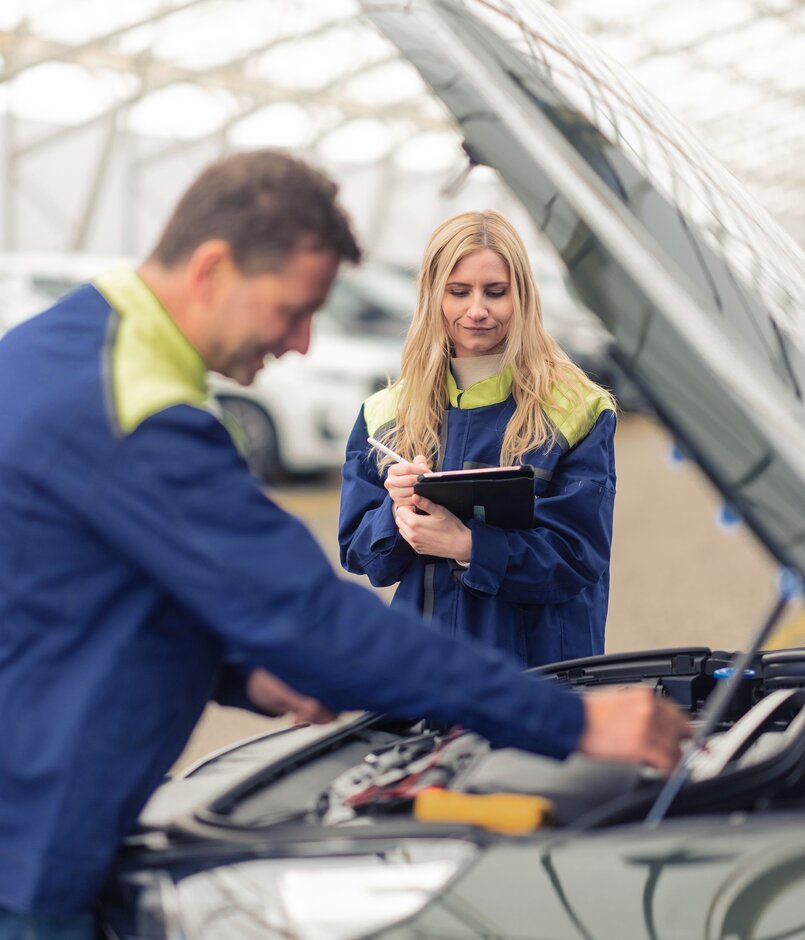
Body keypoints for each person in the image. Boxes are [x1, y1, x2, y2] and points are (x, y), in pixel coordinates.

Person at [0, 151, 687, 938]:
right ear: (215, 269)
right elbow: (312, 613)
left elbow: (98, 584)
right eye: (294, 310)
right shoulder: (137, 411)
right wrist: (571, 724)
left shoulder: (56, 352)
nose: (299, 344)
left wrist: (244, 675)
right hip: (31, 849)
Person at [340, 210, 615, 667]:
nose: (477, 310)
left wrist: (468, 546)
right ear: (433, 297)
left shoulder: (577, 409)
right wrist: (398, 510)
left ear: (522, 295)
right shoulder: (385, 414)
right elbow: (363, 557)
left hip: (541, 676)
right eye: (458, 291)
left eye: (495, 292)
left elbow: (578, 558)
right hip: (427, 675)